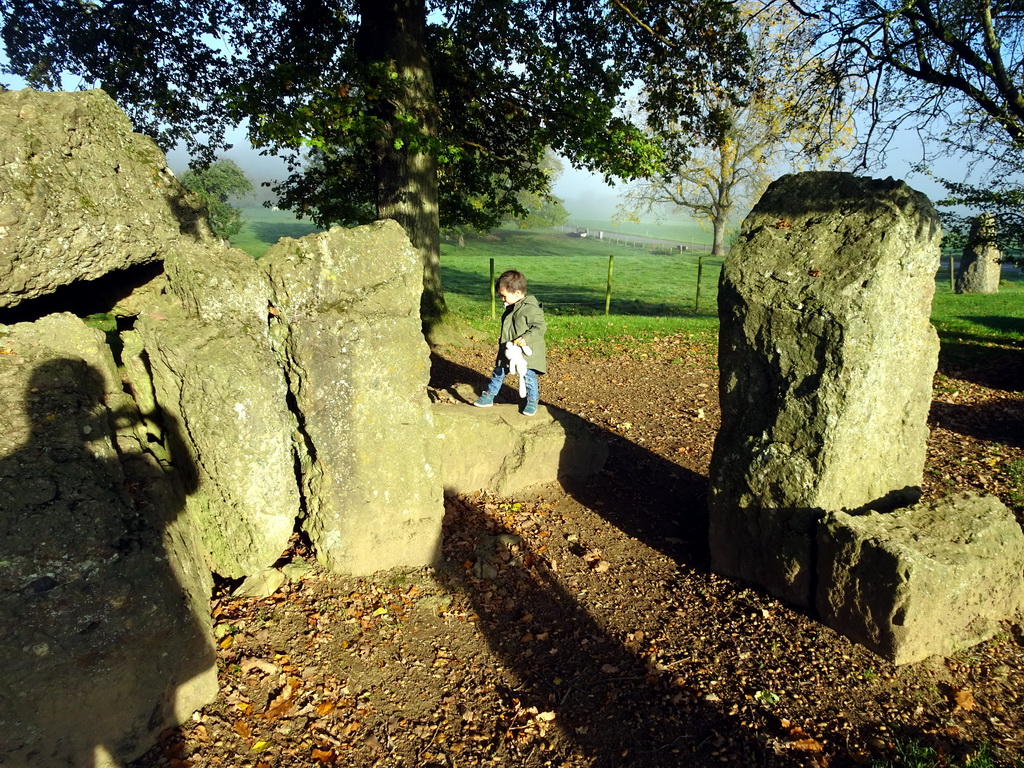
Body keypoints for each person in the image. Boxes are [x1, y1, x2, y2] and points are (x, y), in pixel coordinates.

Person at [473, 269, 547, 416]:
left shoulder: (531, 309)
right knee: (499, 371)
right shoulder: (511, 307)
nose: (503, 299)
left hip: (526, 352)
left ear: (517, 293)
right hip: (509, 349)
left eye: (504, 296)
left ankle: (532, 400)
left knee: (528, 375)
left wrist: (526, 338)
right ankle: (489, 395)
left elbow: (540, 327)